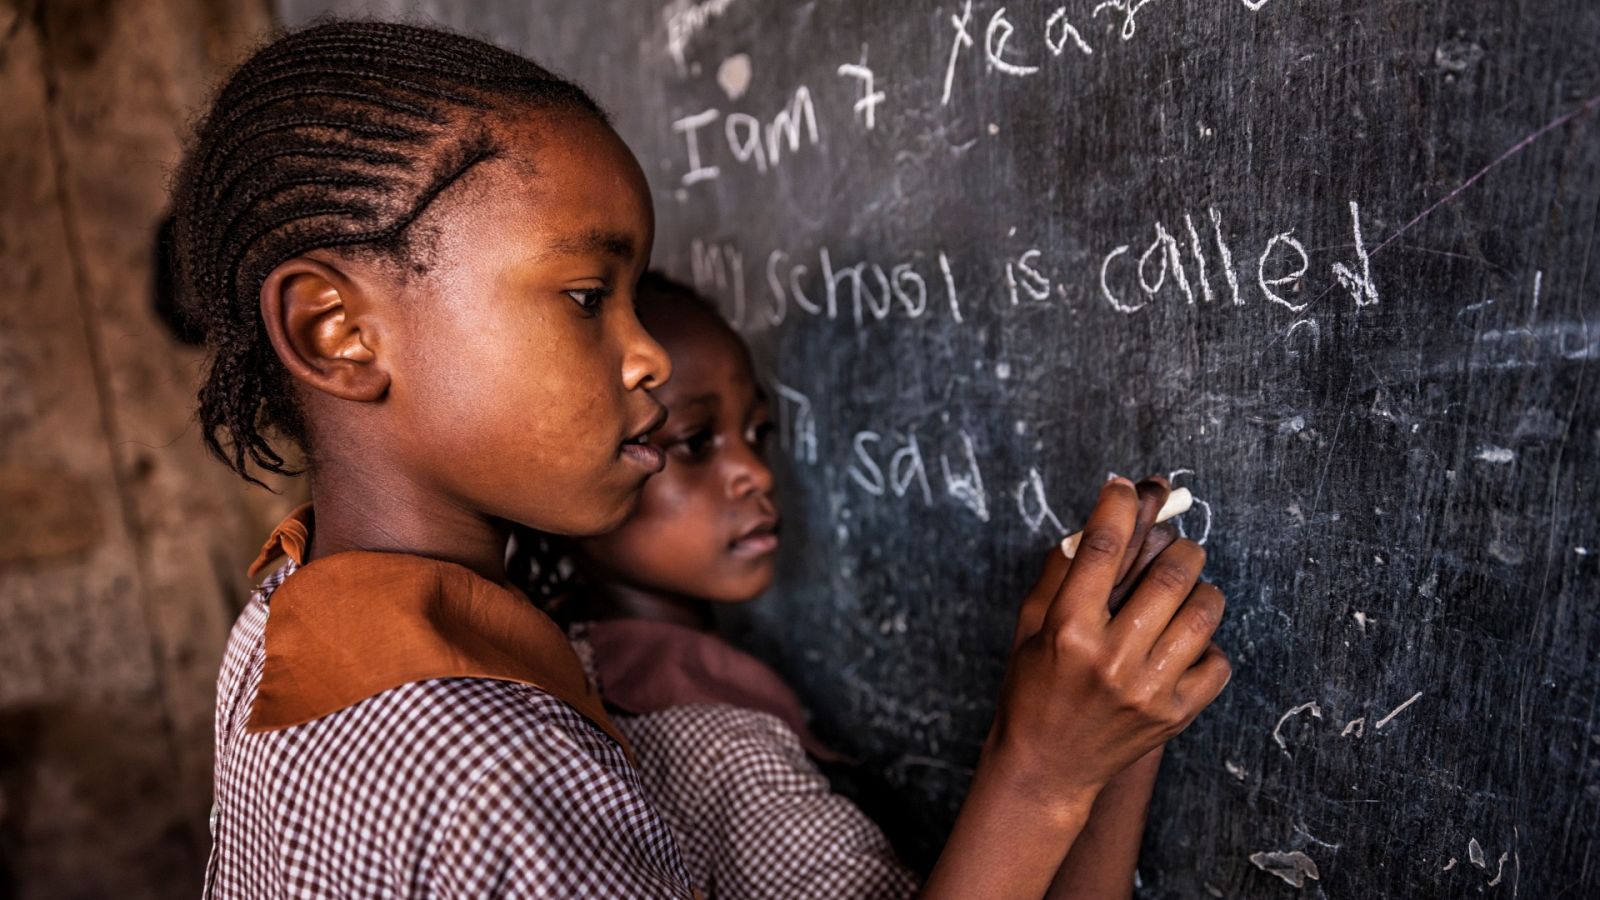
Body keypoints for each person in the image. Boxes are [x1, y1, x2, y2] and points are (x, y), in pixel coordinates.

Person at [173, 19, 1229, 898]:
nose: (642, 356)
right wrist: (1038, 772)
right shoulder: (504, 777)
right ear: (334, 333)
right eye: (587, 297)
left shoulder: (286, 618)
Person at [523, 274, 1192, 899]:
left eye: (758, 432)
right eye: (696, 441)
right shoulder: (712, 748)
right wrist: (1047, 768)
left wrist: (1111, 732)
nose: (753, 471)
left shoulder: (567, 655)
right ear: (566, 461)